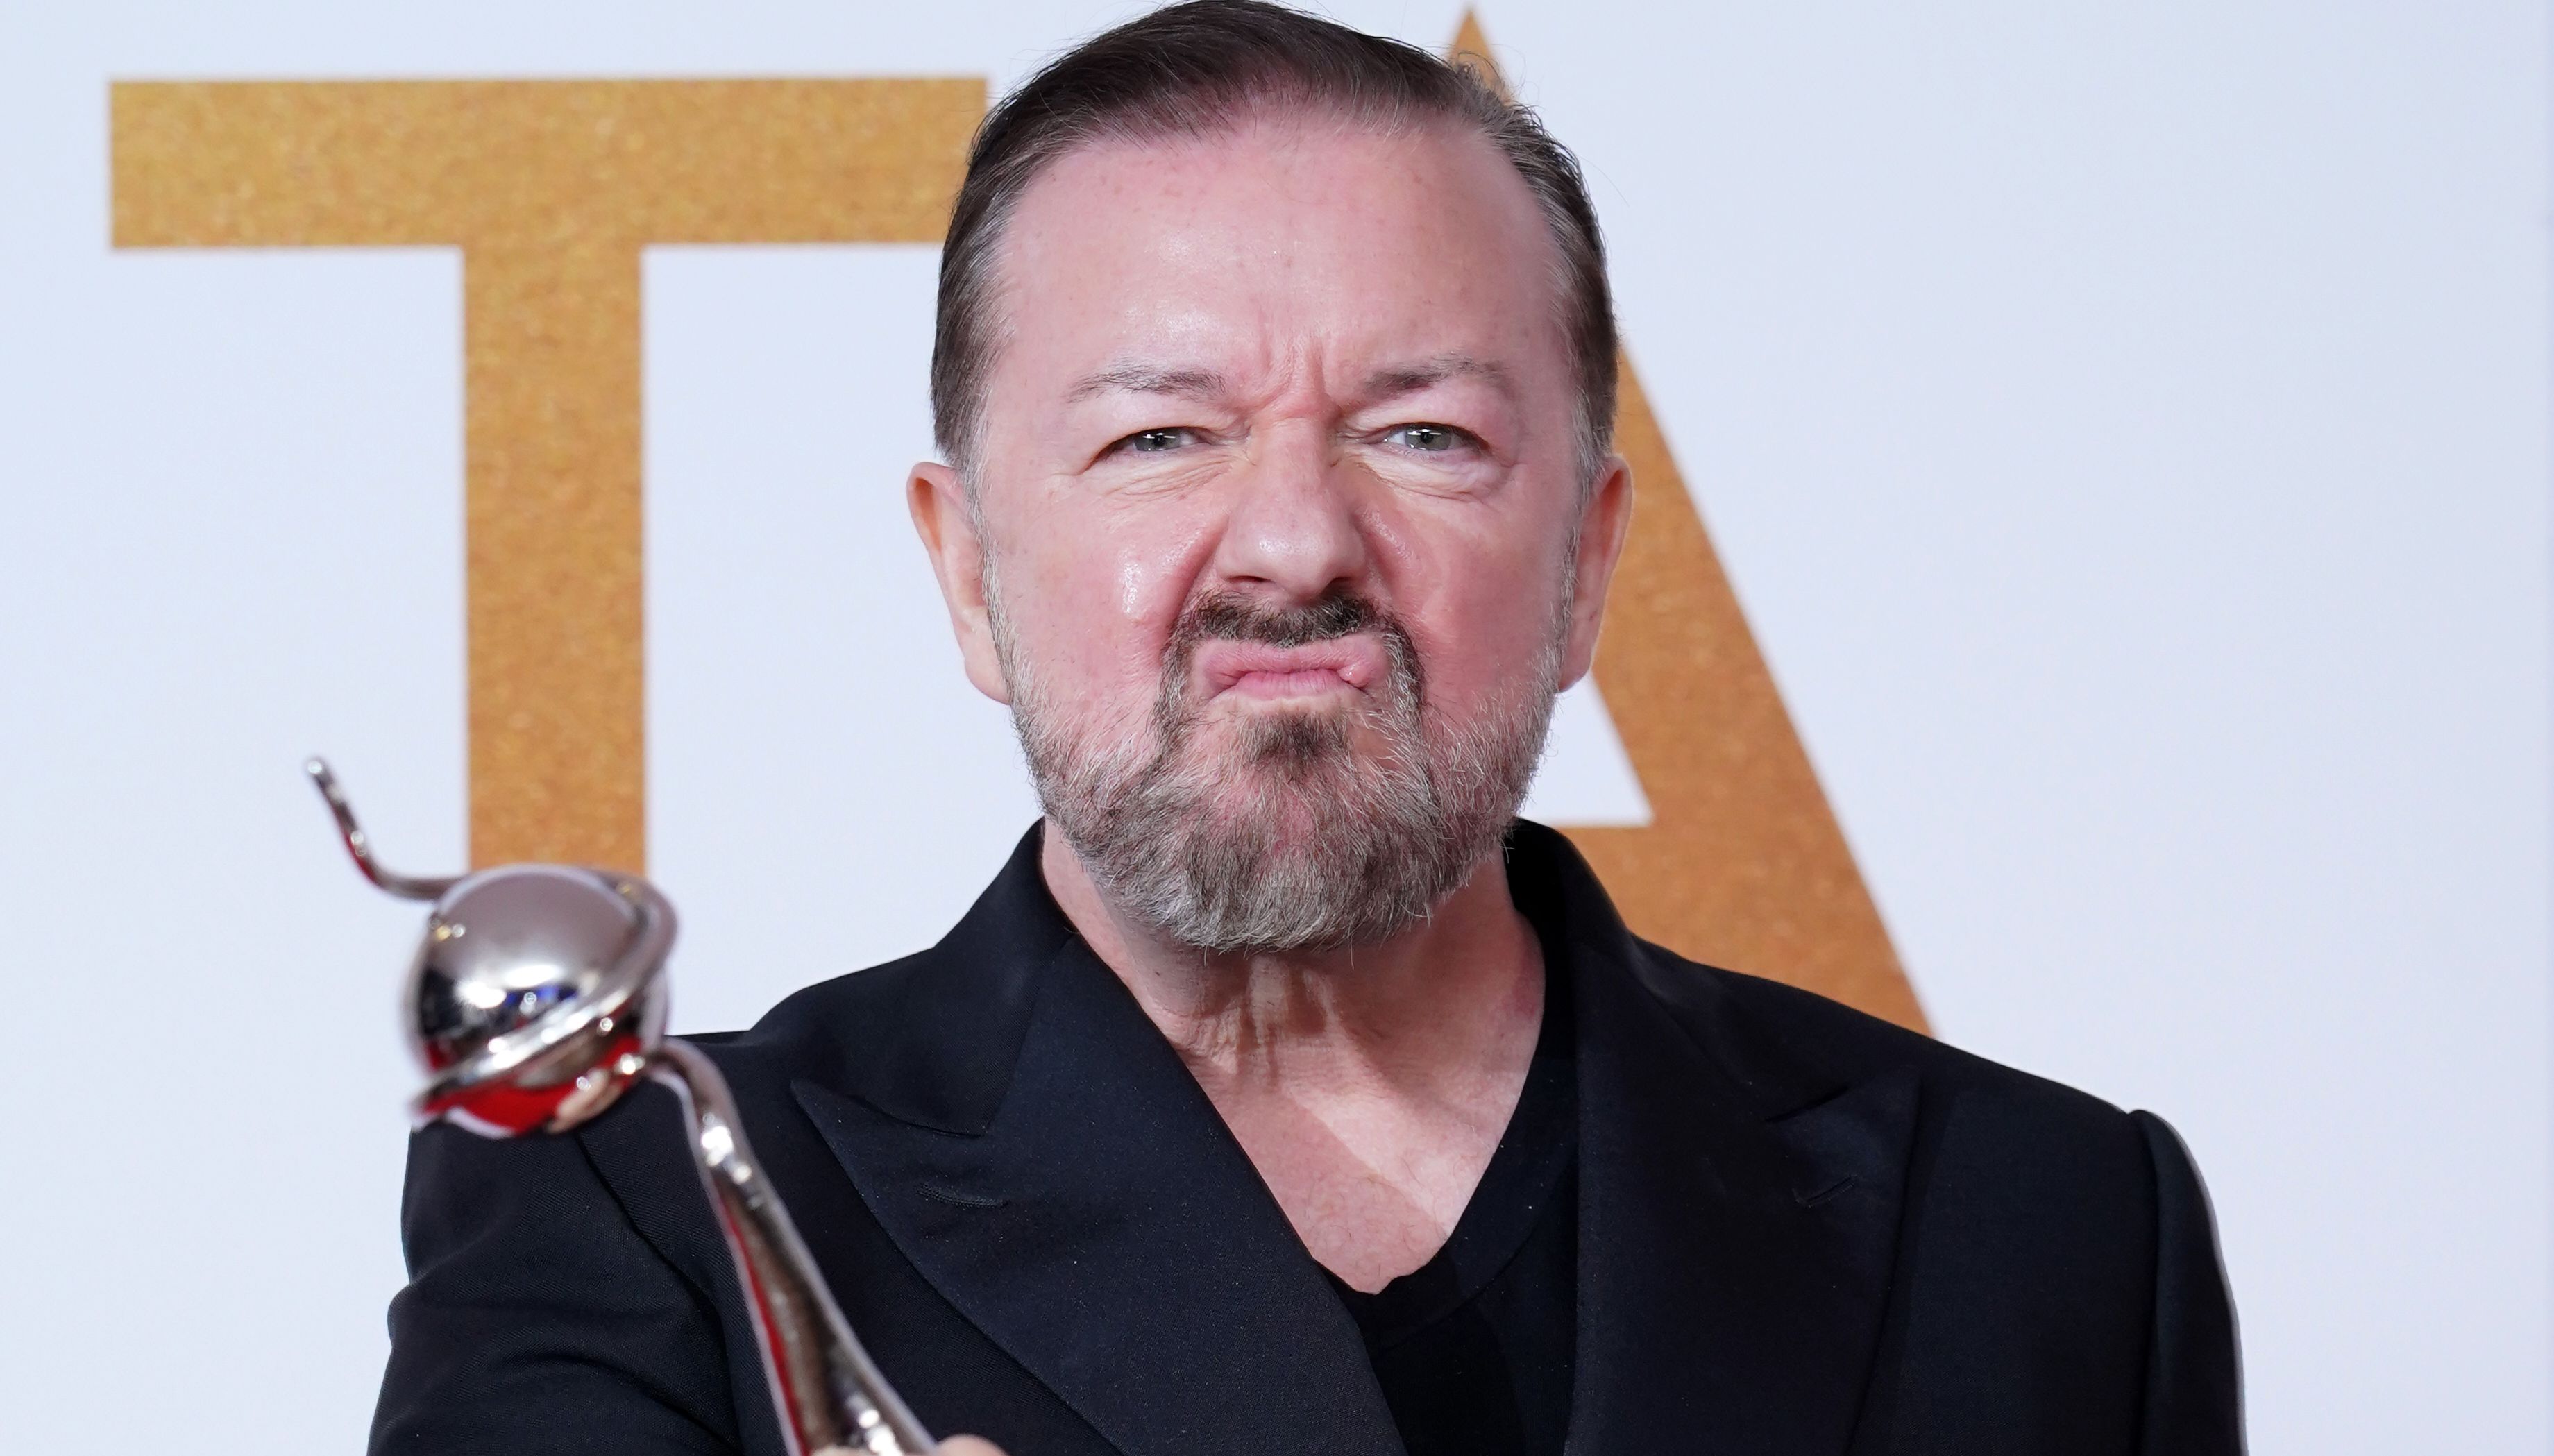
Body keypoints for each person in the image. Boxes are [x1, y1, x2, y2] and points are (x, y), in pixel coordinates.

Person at [369, 3, 2243, 1453]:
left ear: (1587, 561)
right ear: (968, 574)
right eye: (1159, 437)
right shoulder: (645, 1215)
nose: (1291, 545)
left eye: (1422, 433)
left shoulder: (2048, 1229)